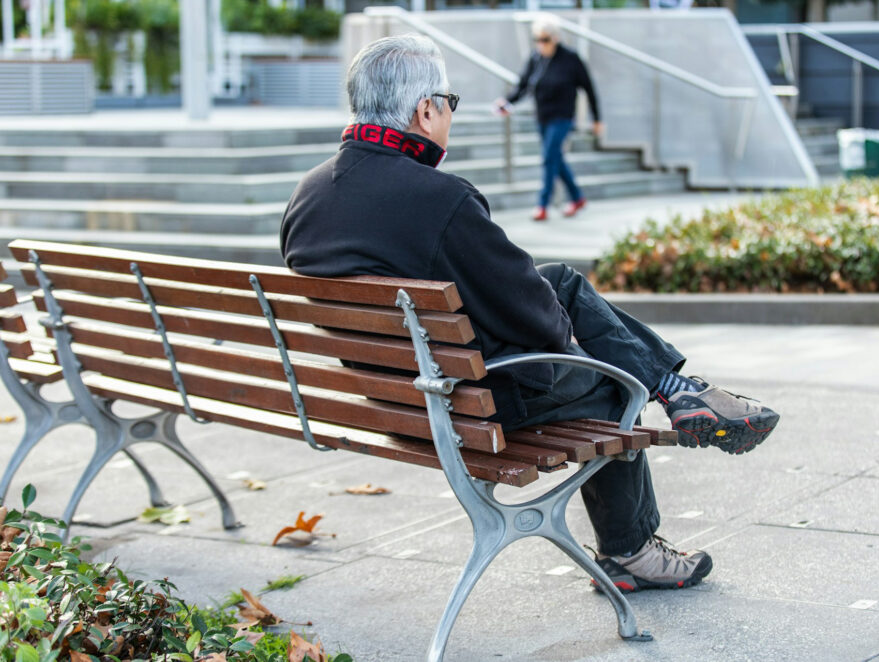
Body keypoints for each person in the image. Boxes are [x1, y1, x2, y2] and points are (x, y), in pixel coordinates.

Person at [280, 35, 780, 593]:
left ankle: (674, 385)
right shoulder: (439, 200)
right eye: (449, 103)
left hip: (393, 398)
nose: (449, 115)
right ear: (425, 110)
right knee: (615, 382)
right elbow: (538, 324)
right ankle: (631, 545)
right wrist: (586, 350)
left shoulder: (308, 196)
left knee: (561, 282)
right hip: (468, 406)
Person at [494, 16, 602, 222]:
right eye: (537, 39)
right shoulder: (536, 58)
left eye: (544, 39)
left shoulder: (571, 58)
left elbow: (589, 89)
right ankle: (578, 197)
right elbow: (523, 85)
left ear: (555, 38)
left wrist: (597, 119)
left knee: (548, 157)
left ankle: (542, 205)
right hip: (543, 115)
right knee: (555, 158)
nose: (540, 44)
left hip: (562, 117)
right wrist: (507, 102)